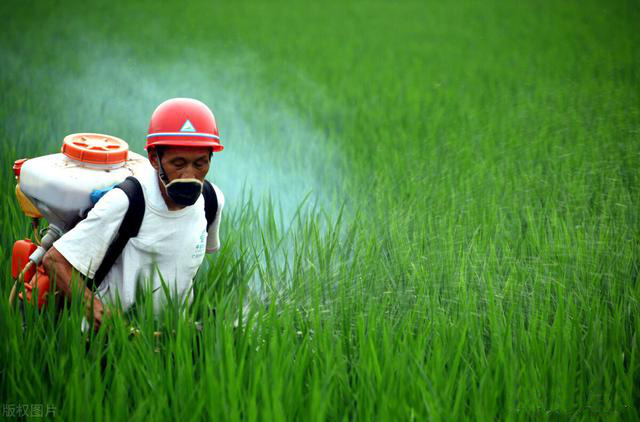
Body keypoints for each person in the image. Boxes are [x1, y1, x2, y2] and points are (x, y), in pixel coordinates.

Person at [42, 98, 224, 330]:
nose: (189, 174)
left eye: (200, 164)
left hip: (171, 336)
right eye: (178, 164)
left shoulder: (212, 200)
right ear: (154, 159)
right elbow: (54, 260)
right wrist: (92, 307)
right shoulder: (126, 202)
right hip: (113, 339)